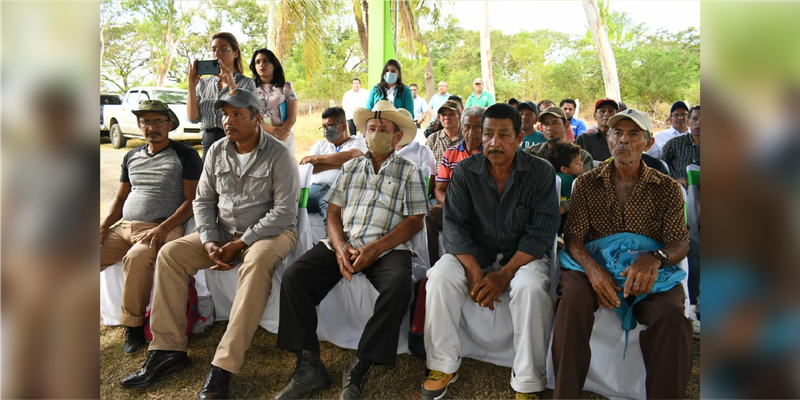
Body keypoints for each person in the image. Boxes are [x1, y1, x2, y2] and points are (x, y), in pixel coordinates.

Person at [120, 89, 300, 400]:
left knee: (256, 264)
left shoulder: (279, 153)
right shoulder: (216, 150)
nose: (228, 121)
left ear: (257, 118)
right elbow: (202, 201)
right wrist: (209, 240)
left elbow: (284, 211)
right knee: (171, 254)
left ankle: (224, 367)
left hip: (272, 233)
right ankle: (167, 350)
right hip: (224, 233)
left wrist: (240, 243)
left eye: (237, 114)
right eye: (225, 114)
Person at [274, 100, 429, 400]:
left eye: (383, 129)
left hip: (387, 247)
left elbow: (415, 221)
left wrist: (375, 249)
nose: (375, 134)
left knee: (397, 286)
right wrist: (340, 246)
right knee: (295, 277)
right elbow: (332, 212)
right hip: (344, 241)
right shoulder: (351, 167)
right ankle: (308, 366)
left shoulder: (410, 171)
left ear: (398, 137)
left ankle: (361, 364)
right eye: (371, 128)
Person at [420, 103, 560, 400]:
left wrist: (504, 274)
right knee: (441, 276)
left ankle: (527, 379)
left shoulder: (540, 172)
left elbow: (543, 230)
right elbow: (454, 224)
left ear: (520, 138)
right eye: (488, 134)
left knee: (532, 289)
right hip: (475, 251)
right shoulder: (466, 171)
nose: (494, 142)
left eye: (504, 135)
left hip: (522, 256)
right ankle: (443, 364)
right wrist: (473, 270)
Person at [552, 108, 692, 399]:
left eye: (634, 134)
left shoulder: (666, 188)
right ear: (608, 137)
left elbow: (680, 242)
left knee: (672, 317)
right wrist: (593, 270)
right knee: (573, 298)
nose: (624, 140)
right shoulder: (587, 183)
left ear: (649, 143)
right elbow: (574, 237)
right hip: (593, 267)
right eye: (617, 133)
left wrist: (655, 259)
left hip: (647, 275)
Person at [100, 100, 202, 354]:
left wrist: (163, 228)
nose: (151, 127)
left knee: (137, 258)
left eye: (158, 121)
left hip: (162, 228)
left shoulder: (185, 155)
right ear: (138, 125)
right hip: (125, 227)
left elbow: (192, 200)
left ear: (170, 124)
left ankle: (132, 327)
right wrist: (102, 226)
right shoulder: (132, 155)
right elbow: (121, 197)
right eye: (146, 121)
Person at [426, 106, 484, 266]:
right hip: (452, 205)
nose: (471, 132)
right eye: (467, 126)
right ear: (462, 126)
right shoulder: (450, 153)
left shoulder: (490, 154)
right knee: (427, 215)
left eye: (477, 127)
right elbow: (439, 189)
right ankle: (433, 266)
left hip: (482, 208)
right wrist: (453, 205)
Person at [188, 32, 256, 162]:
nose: (217, 53)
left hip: (236, 141)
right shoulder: (203, 83)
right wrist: (191, 86)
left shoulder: (246, 83)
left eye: (223, 49)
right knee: (208, 181)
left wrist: (231, 83)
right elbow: (193, 118)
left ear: (235, 53)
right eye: (213, 50)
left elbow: (245, 112)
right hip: (208, 144)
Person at [300, 106, 367, 218]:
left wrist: (317, 159)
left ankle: (330, 236)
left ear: (344, 126)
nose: (326, 130)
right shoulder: (320, 144)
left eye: (330, 126)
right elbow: (308, 167)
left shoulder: (359, 142)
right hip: (313, 188)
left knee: (332, 212)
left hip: (339, 191)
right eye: (324, 126)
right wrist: (341, 164)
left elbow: (351, 157)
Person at [250, 48, 299, 156]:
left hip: (284, 136)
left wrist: (282, 132)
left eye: (265, 61)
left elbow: (292, 117)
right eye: (257, 62)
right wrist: (273, 130)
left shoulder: (286, 87)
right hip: (260, 137)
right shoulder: (250, 90)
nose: (261, 64)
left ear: (274, 64)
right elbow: (251, 118)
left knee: (284, 170)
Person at [524, 106, 593, 174]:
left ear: (566, 125)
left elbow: (583, 183)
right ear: (541, 128)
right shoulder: (530, 153)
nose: (550, 128)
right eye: (546, 124)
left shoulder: (582, 157)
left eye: (555, 123)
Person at [546, 142, 584, 233]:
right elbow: (579, 200)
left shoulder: (565, 176)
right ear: (564, 169)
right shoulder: (566, 180)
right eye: (577, 163)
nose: (582, 164)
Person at [660, 105, 700, 187]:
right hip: (680, 193)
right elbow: (659, 167)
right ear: (688, 122)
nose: (698, 123)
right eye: (694, 119)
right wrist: (673, 180)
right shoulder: (675, 143)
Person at [576, 98, 619, 162]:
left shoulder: (621, 139)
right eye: (602, 111)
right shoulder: (583, 139)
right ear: (595, 115)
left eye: (611, 111)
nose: (606, 114)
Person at [426, 100, 463, 169]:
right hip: (437, 179)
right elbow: (426, 168)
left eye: (451, 114)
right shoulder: (432, 139)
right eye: (443, 114)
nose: (447, 117)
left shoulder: (467, 138)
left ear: (460, 116)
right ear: (439, 117)